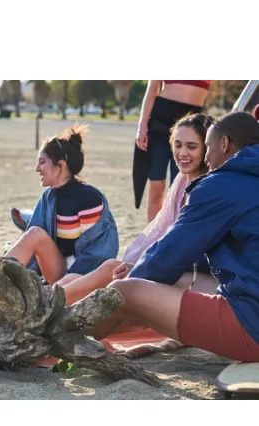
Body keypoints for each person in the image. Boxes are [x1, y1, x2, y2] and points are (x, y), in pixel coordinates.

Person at [87, 111, 259, 362]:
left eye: (207, 146)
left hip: (252, 325)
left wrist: (136, 284)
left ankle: (64, 340)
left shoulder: (223, 184)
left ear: (224, 144)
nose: (207, 158)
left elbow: (167, 257)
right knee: (178, 279)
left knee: (122, 292)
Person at [58, 113, 217, 306]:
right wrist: (139, 265)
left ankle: (50, 306)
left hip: (198, 275)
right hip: (177, 267)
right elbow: (163, 237)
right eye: (177, 145)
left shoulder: (206, 189)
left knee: (116, 275)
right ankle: (49, 300)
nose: (182, 153)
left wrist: (141, 268)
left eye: (191, 147)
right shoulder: (182, 181)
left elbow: (189, 250)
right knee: (103, 270)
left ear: (207, 148)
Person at [5, 124, 119, 286]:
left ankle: (56, 293)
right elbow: (34, 249)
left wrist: (67, 283)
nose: (37, 169)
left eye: (42, 162)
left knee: (66, 284)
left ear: (61, 165)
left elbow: (96, 256)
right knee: (34, 234)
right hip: (60, 274)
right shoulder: (48, 197)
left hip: (87, 276)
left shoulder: (90, 199)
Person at [134, 80, 212, 222]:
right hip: (160, 123)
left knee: (184, 188)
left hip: (192, 124)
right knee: (156, 186)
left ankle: (177, 231)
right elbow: (152, 88)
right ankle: (154, 232)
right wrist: (142, 125)